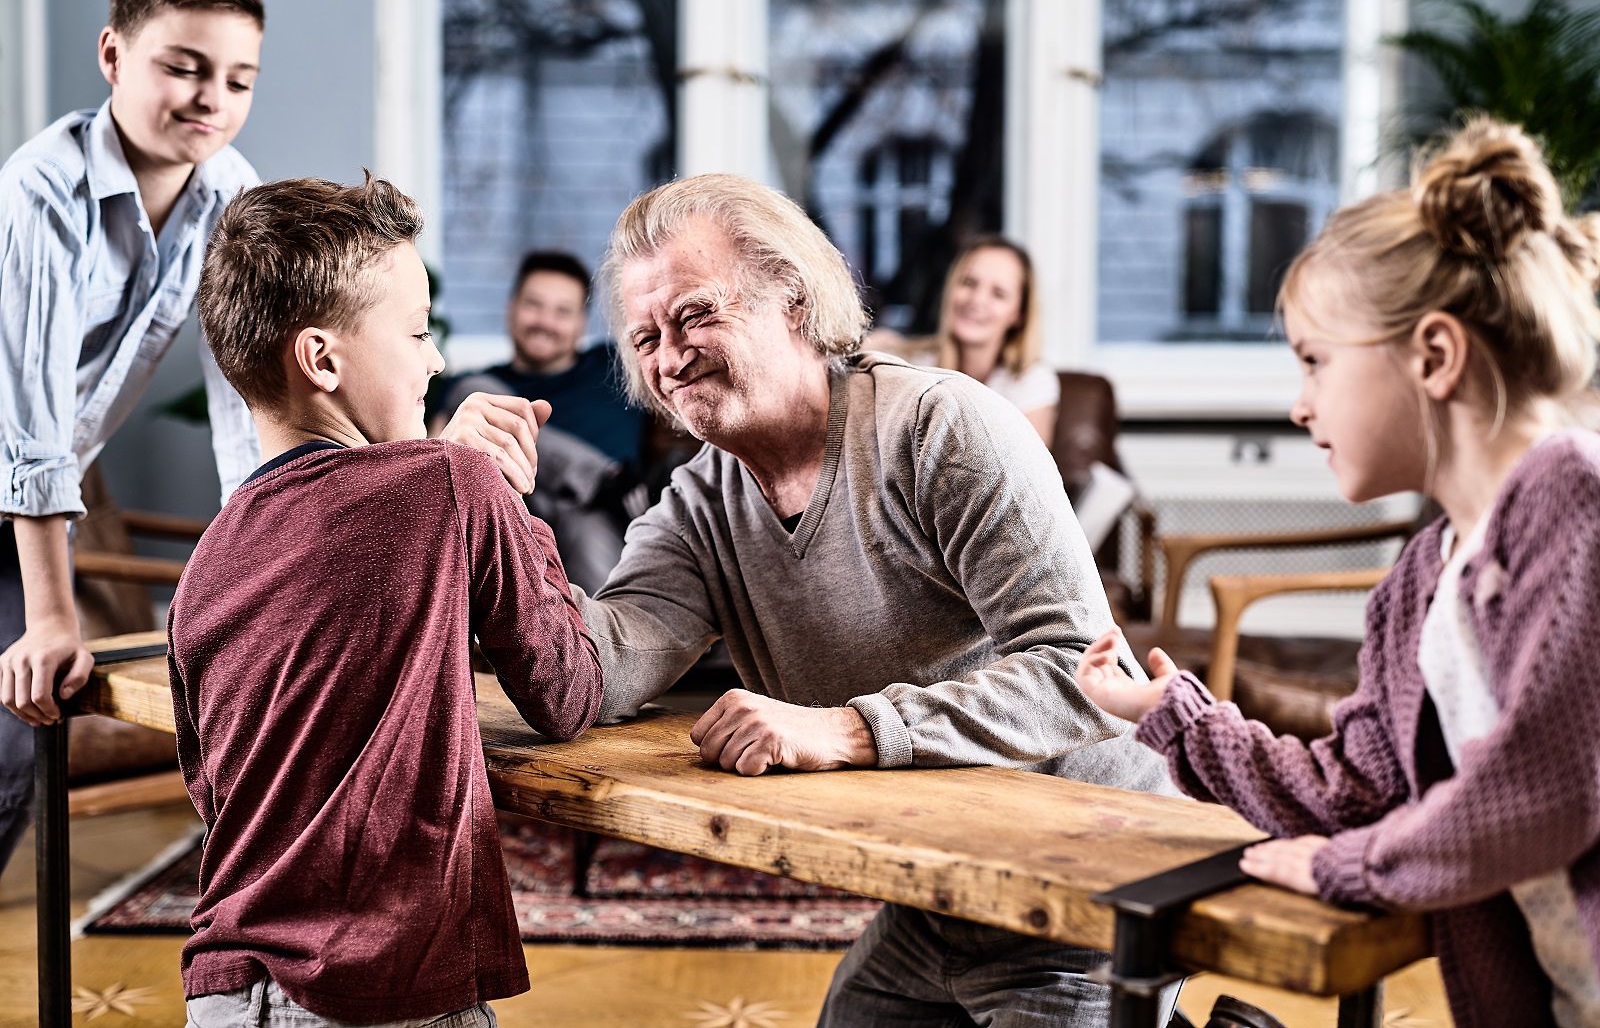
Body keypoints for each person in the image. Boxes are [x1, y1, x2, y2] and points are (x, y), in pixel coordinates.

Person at [572, 174, 1176, 1026]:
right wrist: (469, 511)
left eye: (696, 314)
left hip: (1099, 882)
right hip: (944, 890)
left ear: (791, 296)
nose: (668, 359)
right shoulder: (701, 502)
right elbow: (597, 666)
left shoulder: (941, 428)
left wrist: (847, 729)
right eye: (645, 338)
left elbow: (1082, 677)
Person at [1076, 118, 1600, 1027]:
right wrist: (1175, 720)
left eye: (1317, 361)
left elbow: (1549, 791)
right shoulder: (1419, 586)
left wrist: (1346, 869)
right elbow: (1354, 791)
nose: (1299, 402)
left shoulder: (1573, 499)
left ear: (1433, 356)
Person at [173, 174, 604, 1026]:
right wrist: (504, 498)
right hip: (376, 994)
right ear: (322, 359)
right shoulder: (452, 483)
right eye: (415, 332)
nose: (436, 358)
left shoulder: (208, 561)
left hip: (225, 990)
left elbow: (220, 793)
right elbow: (570, 691)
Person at [0, 0, 267, 873]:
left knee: (10, 759)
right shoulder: (39, 188)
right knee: (10, 734)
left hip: (25, 512)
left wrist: (257, 576)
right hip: (20, 492)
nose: (211, 100)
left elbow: (243, 405)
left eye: (238, 80)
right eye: (184, 67)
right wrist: (50, 614)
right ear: (113, 55)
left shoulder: (230, 189)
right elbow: (30, 423)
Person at [434, 251, 651, 592]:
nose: (545, 321)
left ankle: (597, 643)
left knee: (584, 523)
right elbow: (434, 458)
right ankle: (603, 478)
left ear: (582, 323)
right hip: (520, 516)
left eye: (562, 311)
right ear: (511, 309)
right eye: (533, 305)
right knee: (469, 391)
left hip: (602, 522)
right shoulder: (485, 384)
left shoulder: (614, 365)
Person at [867, 237, 1059, 444]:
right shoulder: (913, 363)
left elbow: (1028, 473)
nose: (977, 300)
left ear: (1019, 314)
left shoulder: (1032, 380)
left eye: (998, 294)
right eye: (969, 283)